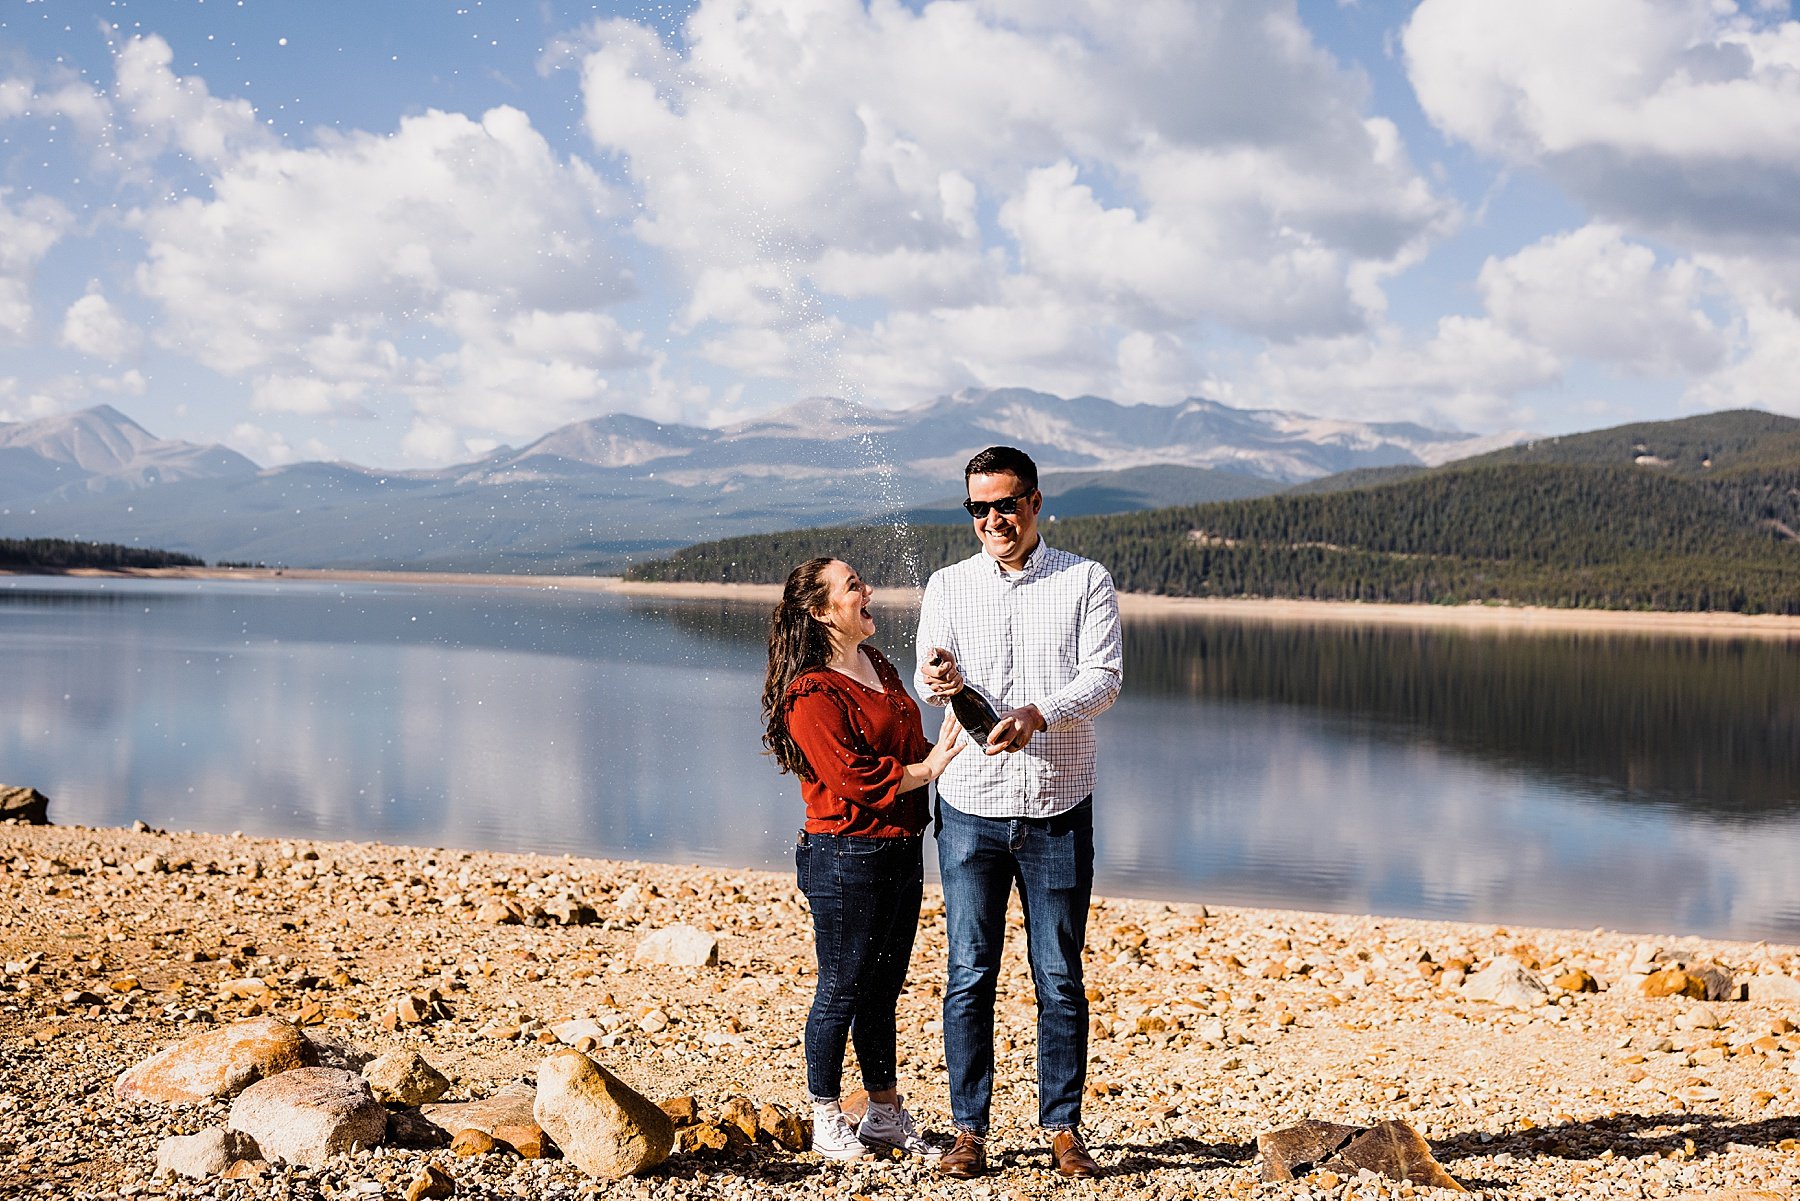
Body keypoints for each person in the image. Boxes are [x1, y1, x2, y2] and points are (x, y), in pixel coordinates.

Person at [915, 445, 1123, 1180]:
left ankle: (1062, 1129)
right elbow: (925, 669)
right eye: (978, 507)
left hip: (1058, 805)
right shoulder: (947, 584)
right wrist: (938, 676)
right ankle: (967, 1132)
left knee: (1058, 975)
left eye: (1005, 503)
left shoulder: (1085, 578)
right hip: (969, 807)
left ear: (1035, 502)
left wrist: (1040, 713)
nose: (992, 519)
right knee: (969, 972)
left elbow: (1104, 679)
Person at [761, 556, 965, 1162]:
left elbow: (907, 746)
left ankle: (882, 1115)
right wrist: (926, 770)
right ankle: (826, 1115)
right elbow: (852, 776)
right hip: (844, 854)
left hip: (900, 849)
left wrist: (956, 741)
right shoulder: (810, 692)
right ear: (822, 611)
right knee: (841, 988)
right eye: (853, 586)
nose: (867, 591)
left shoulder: (878, 665)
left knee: (883, 991)